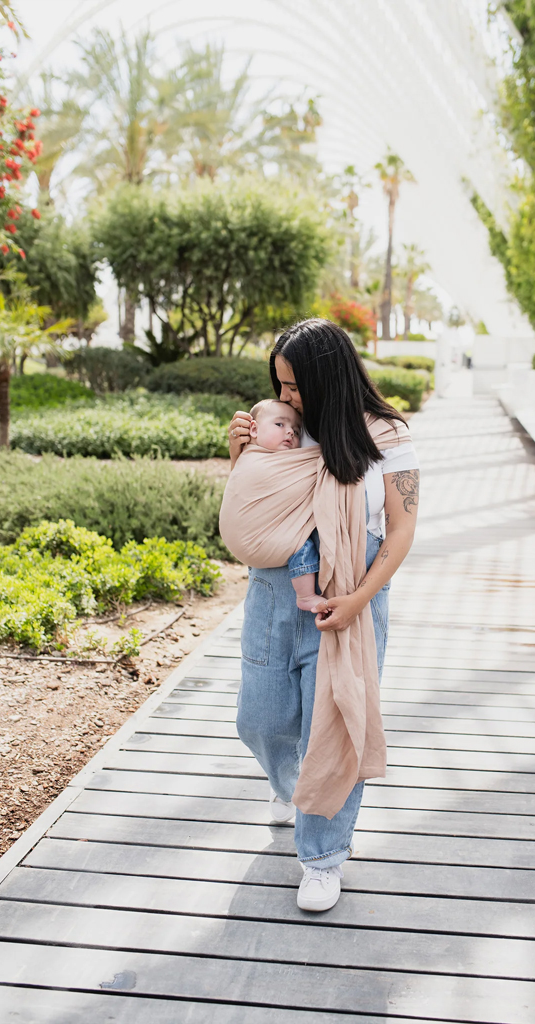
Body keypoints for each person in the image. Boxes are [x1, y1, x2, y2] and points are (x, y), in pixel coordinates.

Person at [227, 318, 419, 912]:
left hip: (351, 599)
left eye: (294, 385)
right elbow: (253, 502)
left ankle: (322, 858)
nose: (286, 397)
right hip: (272, 591)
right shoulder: (281, 429)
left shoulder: (384, 435)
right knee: (260, 718)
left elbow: (403, 526)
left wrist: (359, 599)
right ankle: (289, 785)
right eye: (279, 385)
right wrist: (240, 453)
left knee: (332, 727)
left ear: (326, 376)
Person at [248, 398, 324, 613]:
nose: (290, 432)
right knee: (302, 546)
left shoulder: (290, 460)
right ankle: (306, 595)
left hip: (273, 532)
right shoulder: (250, 457)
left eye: (296, 430)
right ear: (253, 429)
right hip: (261, 531)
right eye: (280, 425)